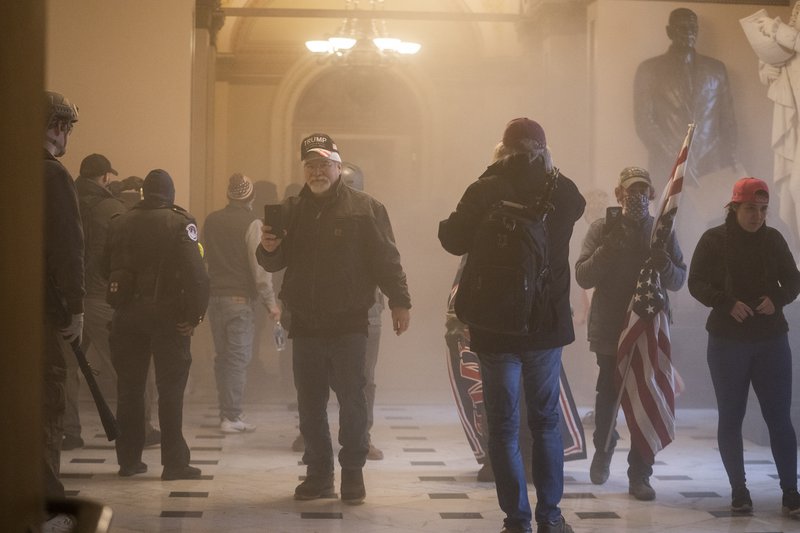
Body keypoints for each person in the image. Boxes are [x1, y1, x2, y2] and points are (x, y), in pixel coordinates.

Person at [439, 118, 585, 533]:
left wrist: (493, 175)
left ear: (501, 150)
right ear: (544, 149)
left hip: (494, 326)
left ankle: (516, 520)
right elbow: (577, 208)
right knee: (545, 422)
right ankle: (551, 517)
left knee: (502, 425)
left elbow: (451, 238)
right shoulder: (562, 191)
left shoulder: (485, 188)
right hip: (545, 325)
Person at [257, 133, 411, 505]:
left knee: (352, 401)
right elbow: (274, 263)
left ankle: (353, 474)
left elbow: (387, 259)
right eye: (310, 165)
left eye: (324, 163)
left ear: (339, 167)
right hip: (306, 323)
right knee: (309, 404)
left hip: (349, 322)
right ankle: (319, 474)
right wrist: (268, 247)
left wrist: (400, 301)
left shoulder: (366, 208)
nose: (317, 171)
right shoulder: (292, 210)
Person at [688, 177, 800, 516]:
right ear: (735, 207)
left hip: (770, 340)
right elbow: (696, 282)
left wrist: (777, 299)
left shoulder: (773, 239)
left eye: (763, 209)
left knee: (779, 417)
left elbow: (794, 280)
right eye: (751, 208)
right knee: (731, 416)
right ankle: (739, 490)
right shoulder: (713, 239)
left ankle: (791, 492)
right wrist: (724, 302)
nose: (758, 216)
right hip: (727, 341)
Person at [574, 166, 686, 501]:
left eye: (642, 190)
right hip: (610, 328)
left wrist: (663, 261)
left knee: (645, 396)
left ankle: (640, 473)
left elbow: (678, 279)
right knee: (608, 395)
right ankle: (603, 450)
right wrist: (610, 246)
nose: (636, 196)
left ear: (652, 194)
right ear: (619, 194)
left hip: (648, 327)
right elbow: (583, 276)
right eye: (630, 191)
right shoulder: (602, 228)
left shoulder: (661, 231)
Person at [105, 169, 210, 480]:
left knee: (130, 390)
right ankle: (174, 463)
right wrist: (194, 317)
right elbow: (197, 275)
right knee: (170, 390)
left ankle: (128, 460)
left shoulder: (119, 222)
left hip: (126, 316)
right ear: (171, 194)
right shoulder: (180, 222)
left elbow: (103, 268)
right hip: (169, 318)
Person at [63, 154, 160, 451]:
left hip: (67, 298)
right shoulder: (111, 209)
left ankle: (69, 432)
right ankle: (141, 429)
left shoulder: (65, 199)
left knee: (67, 369)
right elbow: (128, 249)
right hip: (100, 297)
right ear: (105, 177)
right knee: (131, 366)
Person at [204, 173, 280, 433]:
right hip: (239, 300)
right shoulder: (253, 223)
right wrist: (270, 302)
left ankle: (225, 410)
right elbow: (259, 266)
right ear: (251, 197)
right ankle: (232, 416)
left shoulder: (211, 221)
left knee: (223, 357)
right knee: (238, 358)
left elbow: (201, 257)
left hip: (214, 299)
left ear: (228, 195)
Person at [42, 90, 83, 533]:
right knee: (47, 402)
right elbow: (69, 248)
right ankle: (47, 501)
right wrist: (76, 307)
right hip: (42, 312)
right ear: (58, 127)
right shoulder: (53, 175)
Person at [341, 161, 386, 461]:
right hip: (328, 308)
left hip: (366, 308)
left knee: (364, 377)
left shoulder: (373, 213)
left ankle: (362, 436)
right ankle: (310, 434)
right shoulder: (317, 214)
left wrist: (398, 300)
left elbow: (386, 259)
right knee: (318, 375)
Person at [753, 3, 800, 247]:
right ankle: (794, 249)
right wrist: (767, 71)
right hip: (794, 131)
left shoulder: (789, 37)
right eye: (795, 12)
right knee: (788, 195)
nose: (795, 14)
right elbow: (772, 73)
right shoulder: (789, 45)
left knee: (796, 187)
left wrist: (777, 28)